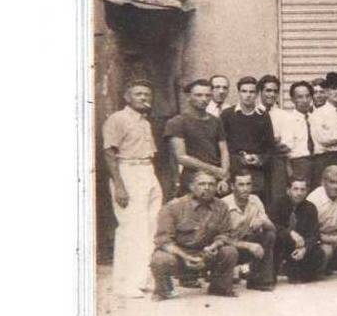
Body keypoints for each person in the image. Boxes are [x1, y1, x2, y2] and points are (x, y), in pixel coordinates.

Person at [102, 78, 162, 298]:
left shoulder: (145, 122)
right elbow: (109, 152)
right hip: (128, 171)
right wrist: (119, 185)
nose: (144, 98)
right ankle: (124, 284)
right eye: (138, 94)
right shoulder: (118, 119)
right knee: (131, 229)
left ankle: (142, 279)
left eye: (147, 94)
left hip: (147, 170)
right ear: (127, 97)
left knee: (150, 227)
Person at [150, 171, 238, 300]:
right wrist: (185, 256)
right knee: (160, 259)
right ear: (192, 187)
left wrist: (214, 246)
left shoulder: (222, 206)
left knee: (229, 251)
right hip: (179, 255)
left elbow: (225, 234)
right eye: (202, 184)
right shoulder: (173, 207)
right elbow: (163, 241)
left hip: (206, 253)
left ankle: (220, 288)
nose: (207, 188)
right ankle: (164, 290)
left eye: (211, 184)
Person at [165, 78, 230, 197]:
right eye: (198, 95)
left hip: (216, 180)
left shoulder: (216, 121)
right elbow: (182, 157)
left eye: (207, 95)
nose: (204, 99)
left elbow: (224, 150)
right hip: (192, 179)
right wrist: (215, 171)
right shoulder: (177, 122)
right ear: (189, 96)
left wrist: (224, 178)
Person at [220, 76, 276, 204]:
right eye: (244, 91)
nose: (248, 95)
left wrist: (259, 159)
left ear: (257, 94)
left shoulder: (263, 116)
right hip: (234, 168)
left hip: (256, 172)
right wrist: (237, 160)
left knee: (255, 205)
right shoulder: (227, 115)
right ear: (239, 93)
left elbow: (270, 147)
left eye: (252, 92)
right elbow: (222, 145)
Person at [223, 171, 276, 291]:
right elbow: (220, 239)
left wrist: (263, 221)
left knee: (269, 235)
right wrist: (249, 245)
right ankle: (227, 273)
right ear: (232, 186)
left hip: (246, 244)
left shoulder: (255, 200)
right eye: (241, 185)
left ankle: (259, 280)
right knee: (228, 251)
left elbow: (273, 229)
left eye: (248, 184)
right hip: (228, 248)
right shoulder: (224, 205)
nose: (245, 189)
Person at [269, 177, 326, 283]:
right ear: (288, 190)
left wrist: (304, 250)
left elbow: (314, 234)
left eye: (302, 189)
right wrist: (289, 233)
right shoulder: (278, 203)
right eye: (295, 189)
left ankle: (293, 270)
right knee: (273, 238)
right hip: (281, 244)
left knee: (319, 254)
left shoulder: (310, 208)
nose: (299, 193)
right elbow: (272, 225)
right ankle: (275, 269)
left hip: (299, 248)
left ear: (306, 191)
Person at [256, 74, 292, 207]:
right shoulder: (253, 112)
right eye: (268, 90)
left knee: (277, 198)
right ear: (260, 92)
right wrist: (273, 142)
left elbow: (287, 144)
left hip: (276, 162)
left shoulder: (284, 116)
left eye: (275, 91)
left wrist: (268, 144)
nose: (272, 94)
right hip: (257, 162)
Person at [284, 81, 316, 187]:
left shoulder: (315, 118)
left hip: (317, 161)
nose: (305, 100)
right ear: (293, 99)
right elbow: (287, 149)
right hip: (299, 163)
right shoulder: (288, 120)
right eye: (300, 97)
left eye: (307, 96)